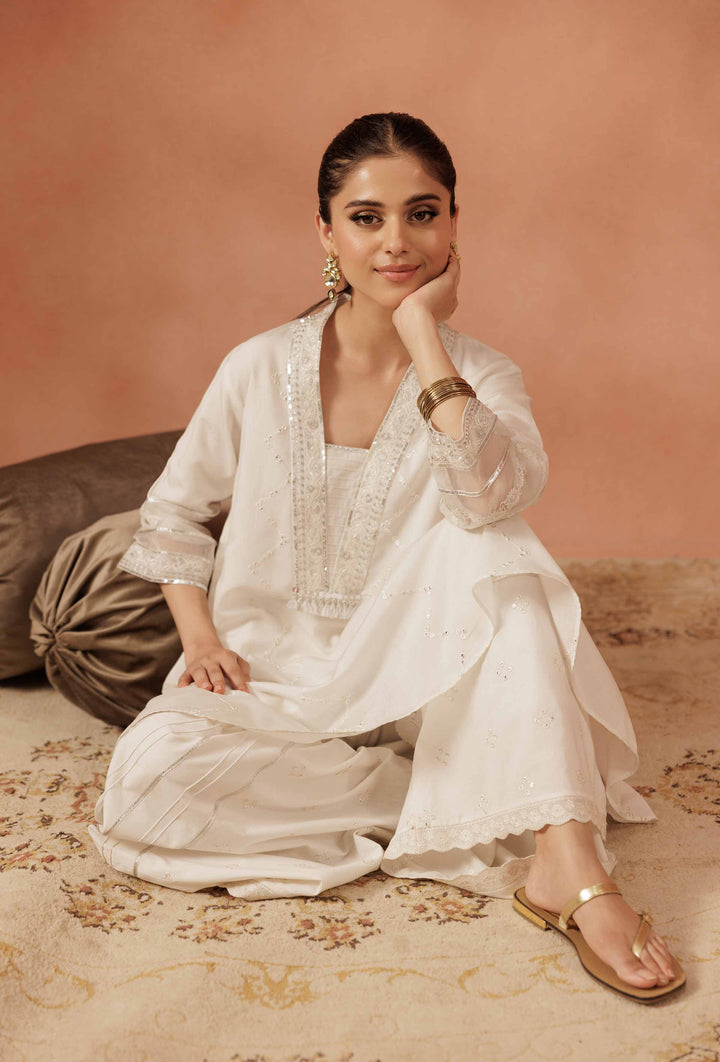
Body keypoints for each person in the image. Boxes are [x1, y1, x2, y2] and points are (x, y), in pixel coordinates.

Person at [88, 112, 684, 1001]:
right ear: (325, 231)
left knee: (498, 548)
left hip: (427, 675)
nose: (397, 240)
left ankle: (567, 864)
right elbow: (174, 515)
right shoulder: (257, 368)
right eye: (366, 217)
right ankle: (478, 789)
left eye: (422, 213)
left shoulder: (485, 373)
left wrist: (422, 336)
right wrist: (202, 638)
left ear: (454, 224)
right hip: (275, 681)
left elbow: (491, 495)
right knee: (148, 784)